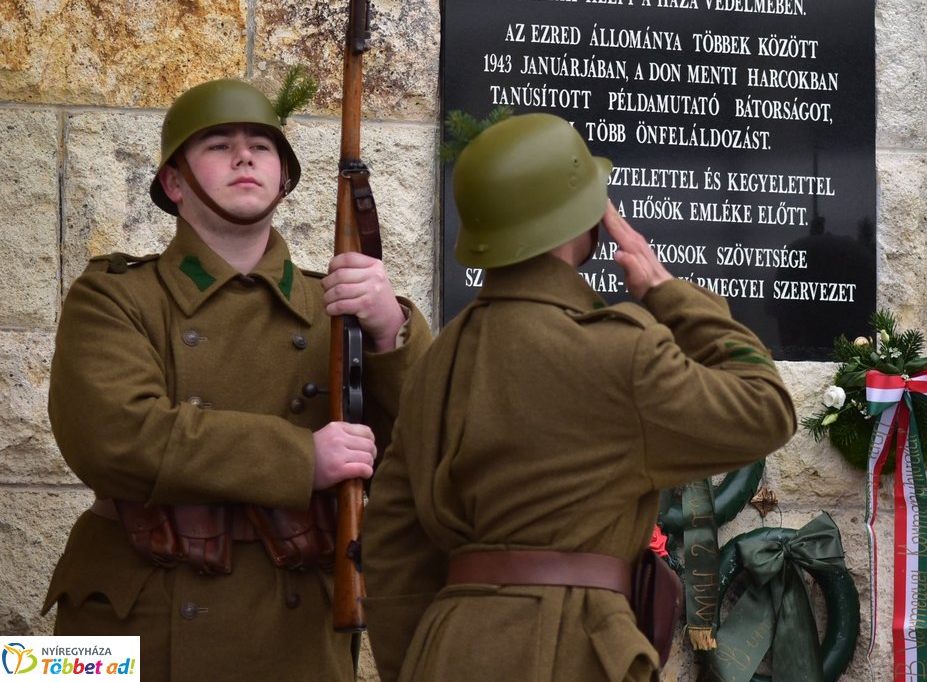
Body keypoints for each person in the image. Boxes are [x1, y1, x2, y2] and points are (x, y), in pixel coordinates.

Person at [362, 112, 798, 682]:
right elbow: (765, 410)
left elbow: (393, 544)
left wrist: (425, 660)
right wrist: (667, 292)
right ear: (584, 220)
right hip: (575, 652)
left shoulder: (436, 363)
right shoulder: (619, 351)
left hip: (447, 651)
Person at [44, 77, 431, 681]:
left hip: (296, 626)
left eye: (261, 146)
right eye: (219, 144)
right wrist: (301, 458)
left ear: (285, 178)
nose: (244, 156)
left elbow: (429, 451)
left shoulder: (337, 308)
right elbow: (112, 437)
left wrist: (390, 334)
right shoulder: (112, 296)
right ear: (175, 182)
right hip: (137, 621)